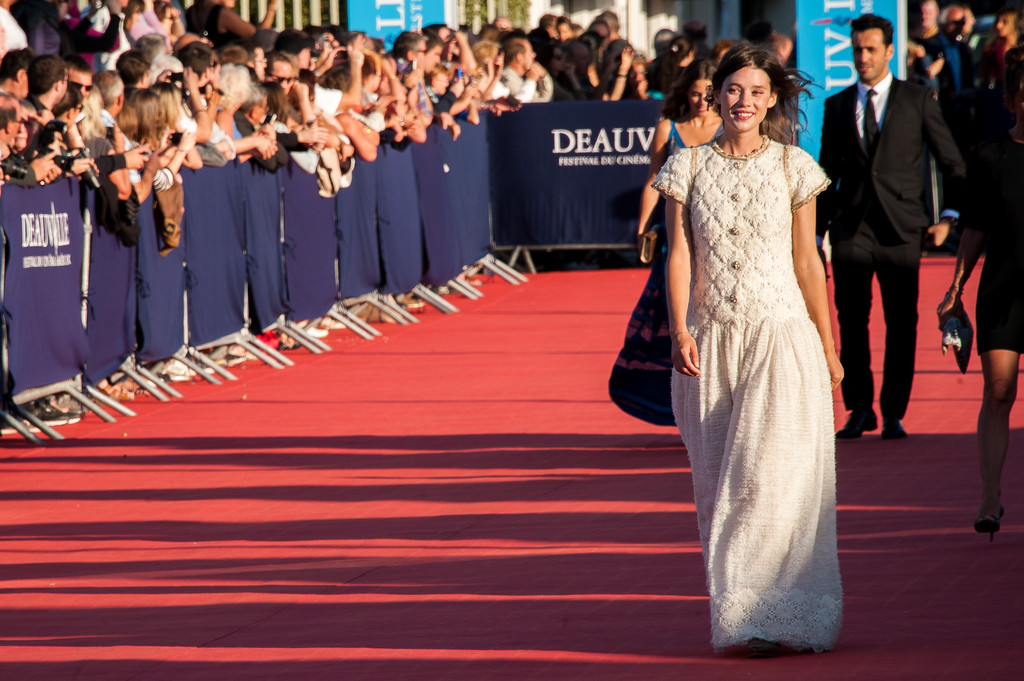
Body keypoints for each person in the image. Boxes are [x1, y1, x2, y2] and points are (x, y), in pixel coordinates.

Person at [652, 43, 843, 656]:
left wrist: (829, 345)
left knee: (771, 476)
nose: (744, 102)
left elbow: (808, 262)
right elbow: (678, 255)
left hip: (781, 336)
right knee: (719, 484)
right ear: (715, 94)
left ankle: (778, 611)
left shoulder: (795, 167)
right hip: (709, 342)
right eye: (734, 90)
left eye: (757, 92)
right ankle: (743, 612)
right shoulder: (686, 168)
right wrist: (679, 329)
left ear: (771, 102)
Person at [818, 14, 965, 440]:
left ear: (888, 51)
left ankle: (894, 410)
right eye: (856, 49)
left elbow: (952, 163)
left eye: (870, 49)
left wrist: (949, 217)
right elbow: (827, 172)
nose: (861, 57)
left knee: (901, 323)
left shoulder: (918, 99)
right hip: (851, 227)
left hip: (903, 227)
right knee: (851, 320)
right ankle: (859, 408)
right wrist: (815, 232)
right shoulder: (838, 105)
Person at [937, 46, 1024, 542]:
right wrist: (955, 289)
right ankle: (990, 496)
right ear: (1012, 100)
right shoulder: (990, 155)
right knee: (999, 389)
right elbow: (973, 229)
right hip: (1003, 288)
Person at [611, 60, 720, 427]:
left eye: (707, 94)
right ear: (684, 94)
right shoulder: (667, 129)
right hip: (673, 234)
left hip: (717, 237)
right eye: (694, 93)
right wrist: (643, 226)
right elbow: (652, 180)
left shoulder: (730, 129)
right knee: (671, 318)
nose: (701, 101)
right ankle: (674, 402)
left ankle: (717, 404)